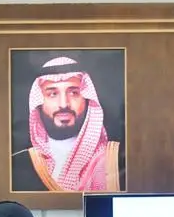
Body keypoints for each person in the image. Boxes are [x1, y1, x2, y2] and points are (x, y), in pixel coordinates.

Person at [11, 54, 121, 192]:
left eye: (73, 93)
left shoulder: (116, 159)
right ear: (39, 102)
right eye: (52, 94)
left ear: (87, 99)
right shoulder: (19, 164)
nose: (64, 104)